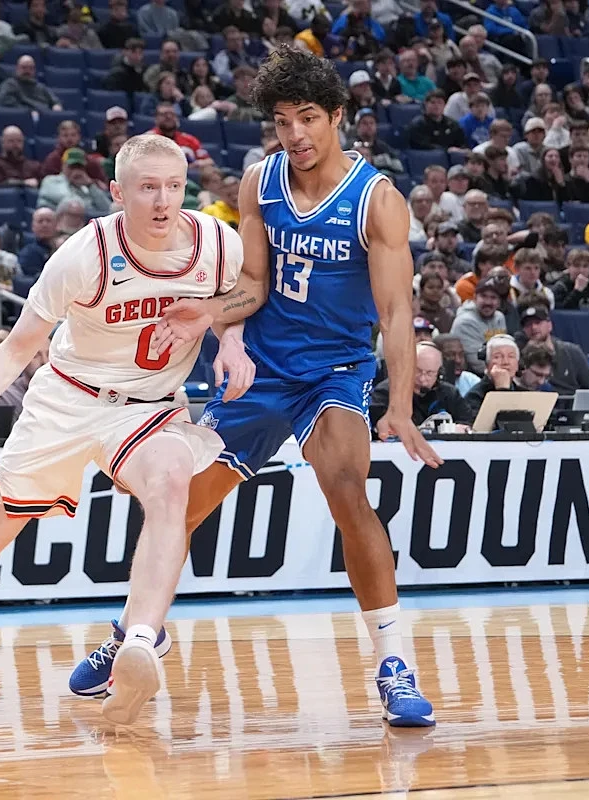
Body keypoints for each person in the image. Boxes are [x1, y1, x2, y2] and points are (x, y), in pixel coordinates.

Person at [69, 47, 442, 727]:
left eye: (308, 118)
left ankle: (394, 665)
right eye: (282, 121)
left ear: (337, 116)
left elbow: (395, 314)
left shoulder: (377, 200)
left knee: (347, 489)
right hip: (262, 370)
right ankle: (137, 634)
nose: (295, 134)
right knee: (176, 506)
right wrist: (209, 312)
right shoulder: (260, 182)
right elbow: (253, 285)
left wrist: (402, 406)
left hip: (333, 371)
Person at [0, 134, 245, 726]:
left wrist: (229, 338)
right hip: (66, 402)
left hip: (148, 406)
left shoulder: (218, 242)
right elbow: (16, 348)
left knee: (170, 481)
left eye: (174, 186)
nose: (163, 201)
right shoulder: (85, 254)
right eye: (148, 188)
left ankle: (137, 642)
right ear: (117, 193)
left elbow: (240, 298)